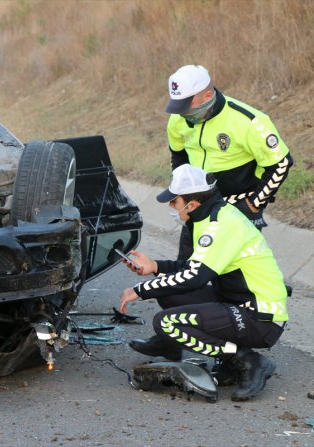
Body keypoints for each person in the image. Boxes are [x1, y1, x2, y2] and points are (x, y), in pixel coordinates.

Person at [119, 164, 288, 402]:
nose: (170, 207)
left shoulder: (220, 225)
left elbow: (195, 277)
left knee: (167, 323)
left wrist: (140, 290)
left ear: (192, 203)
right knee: (168, 292)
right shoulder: (209, 216)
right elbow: (192, 267)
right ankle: (176, 347)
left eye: (173, 202)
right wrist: (155, 267)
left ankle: (247, 360)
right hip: (237, 303)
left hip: (260, 318)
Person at [164, 65, 294, 259]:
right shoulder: (178, 120)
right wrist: (183, 195)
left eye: (186, 106)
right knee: (186, 267)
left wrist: (253, 204)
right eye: (178, 106)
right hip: (199, 205)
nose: (181, 113)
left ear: (208, 96)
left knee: (234, 275)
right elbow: (179, 157)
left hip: (239, 205)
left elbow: (281, 163)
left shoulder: (249, 121)